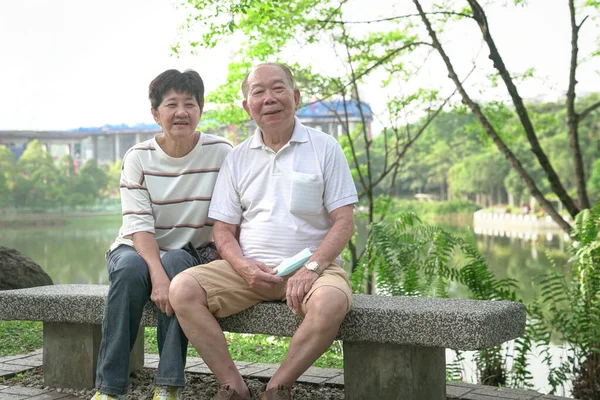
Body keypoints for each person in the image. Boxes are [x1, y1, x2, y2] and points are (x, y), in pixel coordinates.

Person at [169, 62, 358, 400]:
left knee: (332, 302)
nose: (269, 98)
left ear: (296, 97)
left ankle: (277, 386)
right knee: (182, 287)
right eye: (258, 92)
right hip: (247, 272)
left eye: (278, 88)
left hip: (313, 271)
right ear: (247, 106)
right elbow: (223, 230)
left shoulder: (325, 148)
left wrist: (312, 268)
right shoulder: (237, 157)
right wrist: (243, 266)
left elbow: (344, 222)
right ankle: (232, 385)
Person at [92, 69, 232, 400]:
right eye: (171, 104)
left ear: (200, 109)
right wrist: (157, 277)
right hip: (135, 247)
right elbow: (138, 227)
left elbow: (235, 212)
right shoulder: (138, 157)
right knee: (129, 271)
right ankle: (109, 389)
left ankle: (168, 384)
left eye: (189, 104)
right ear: (156, 113)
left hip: (188, 250)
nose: (181, 112)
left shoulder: (222, 153)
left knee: (180, 264)